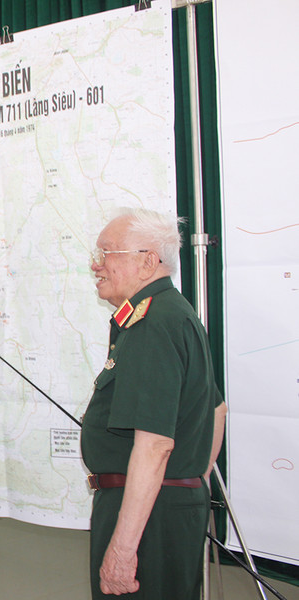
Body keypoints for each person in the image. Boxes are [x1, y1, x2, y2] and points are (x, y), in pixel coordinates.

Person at [81, 208, 227, 599]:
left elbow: (155, 444)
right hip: (160, 505)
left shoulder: (153, 323)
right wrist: (188, 479)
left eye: (107, 253)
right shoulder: (170, 314)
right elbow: (216, 410)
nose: (96, 265)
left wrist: (124, 549)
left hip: (148, 515)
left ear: (148, 261)